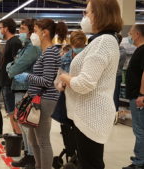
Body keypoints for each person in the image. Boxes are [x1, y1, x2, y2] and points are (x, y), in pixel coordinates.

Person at [59, 0, 123, 168]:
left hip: (92, 115)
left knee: (91, 163)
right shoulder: (100, 41)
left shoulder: (103, 42)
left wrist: (65, 77)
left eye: (87, 12)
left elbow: (84, 83)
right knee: (88, 161)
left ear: (99, 14)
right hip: (88, 114)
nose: (84, 17)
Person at [15, 19, 68, 169]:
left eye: (35, 31)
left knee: (43, 140)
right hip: (37, 97)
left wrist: (27, 76)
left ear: (44, 33)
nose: (33, 35)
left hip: (45, 99)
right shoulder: (45, 52)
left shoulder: (51, 52)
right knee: (33, 139)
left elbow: (46, 81)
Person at [7, 19, 41, 169]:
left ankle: (32, 158)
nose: (20, 31)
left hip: (26, 88)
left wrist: (11, 67)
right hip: (20, 87)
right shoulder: (25, 47)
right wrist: (12, 66)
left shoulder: (32, 48)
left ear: (31, 31)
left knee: (27, 126)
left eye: (22, 29)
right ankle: (28, 154)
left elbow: (15, 68)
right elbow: (14, 65)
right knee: (22, 123)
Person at [122, 24, 144, 169]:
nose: (129, 37)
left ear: (137, 34)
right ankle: (139, 157)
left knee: (139, 129)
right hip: (136, 94)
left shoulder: (143, 50)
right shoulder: (139, 50)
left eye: (130, 34)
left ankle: (139, 162)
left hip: (138, 96)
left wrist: (142, 94)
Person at [0, 18, 23, 135]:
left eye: (0, 27)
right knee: (9, 111)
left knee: (13, 111)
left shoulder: (15, 42)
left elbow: (17, 63)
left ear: (6, 28)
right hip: (5, 82)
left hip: (11, 83)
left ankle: (18, 136)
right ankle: (15, 135)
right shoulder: (8, 42)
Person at [114, 34, 127, 112]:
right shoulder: (115, 50)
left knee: (115, 95)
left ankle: (114, 114)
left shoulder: (121, 52)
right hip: (111, 76)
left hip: (116, 76)